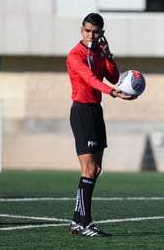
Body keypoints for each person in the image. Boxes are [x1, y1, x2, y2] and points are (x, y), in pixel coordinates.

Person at [66, 13, 133, 237]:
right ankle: (85, 222)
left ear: (102, 33)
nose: (91, 36)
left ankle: (77, 222)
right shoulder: (74, 55)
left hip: (96, 110)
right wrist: (114, 93)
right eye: (87, 31)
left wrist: (108, 55)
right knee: (89, 169)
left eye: (96, 32)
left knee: (96, 169)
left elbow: (113, 76)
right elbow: (90, 80)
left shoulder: (98, 51)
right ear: (81, 30)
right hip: (82, 111)